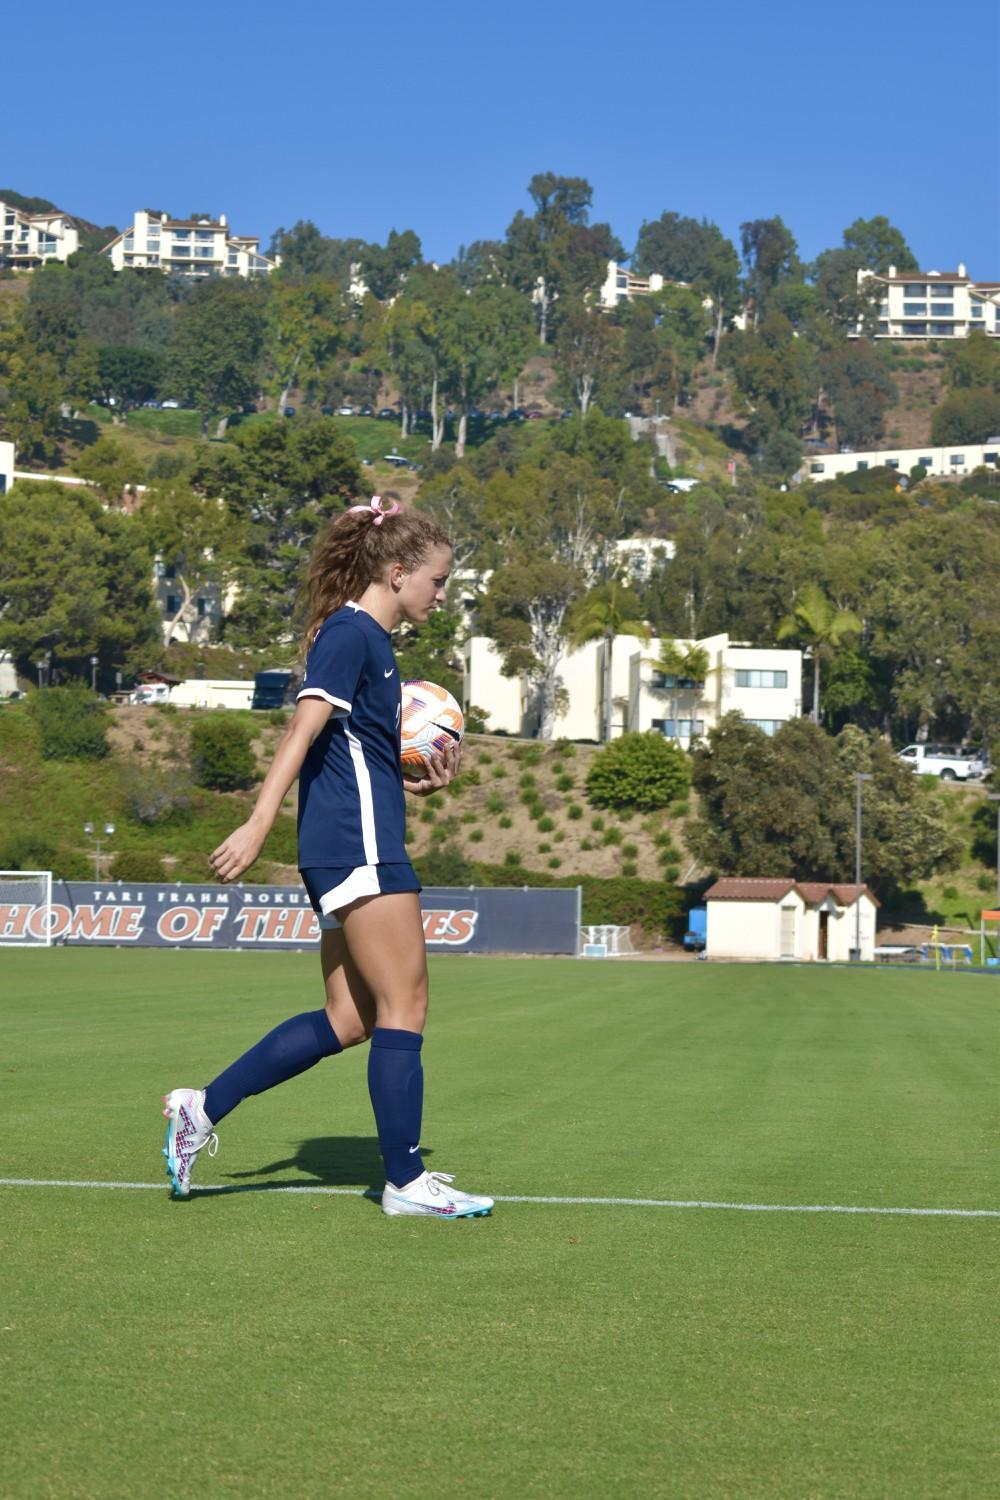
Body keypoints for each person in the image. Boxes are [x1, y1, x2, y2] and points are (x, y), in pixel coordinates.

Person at [161, 496, 493, 1220]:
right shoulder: (352, 634)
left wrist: (412, 777)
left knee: (350, 1018)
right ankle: (406, 1182)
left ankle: (201, 1108)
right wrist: (256, 822)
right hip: (360, 845)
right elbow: (302, 733)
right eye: (437, 582)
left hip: (344, 842)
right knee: (408, 1003)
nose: (442, 596)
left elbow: (353, 755)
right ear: (398, 571)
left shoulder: (368, 640)